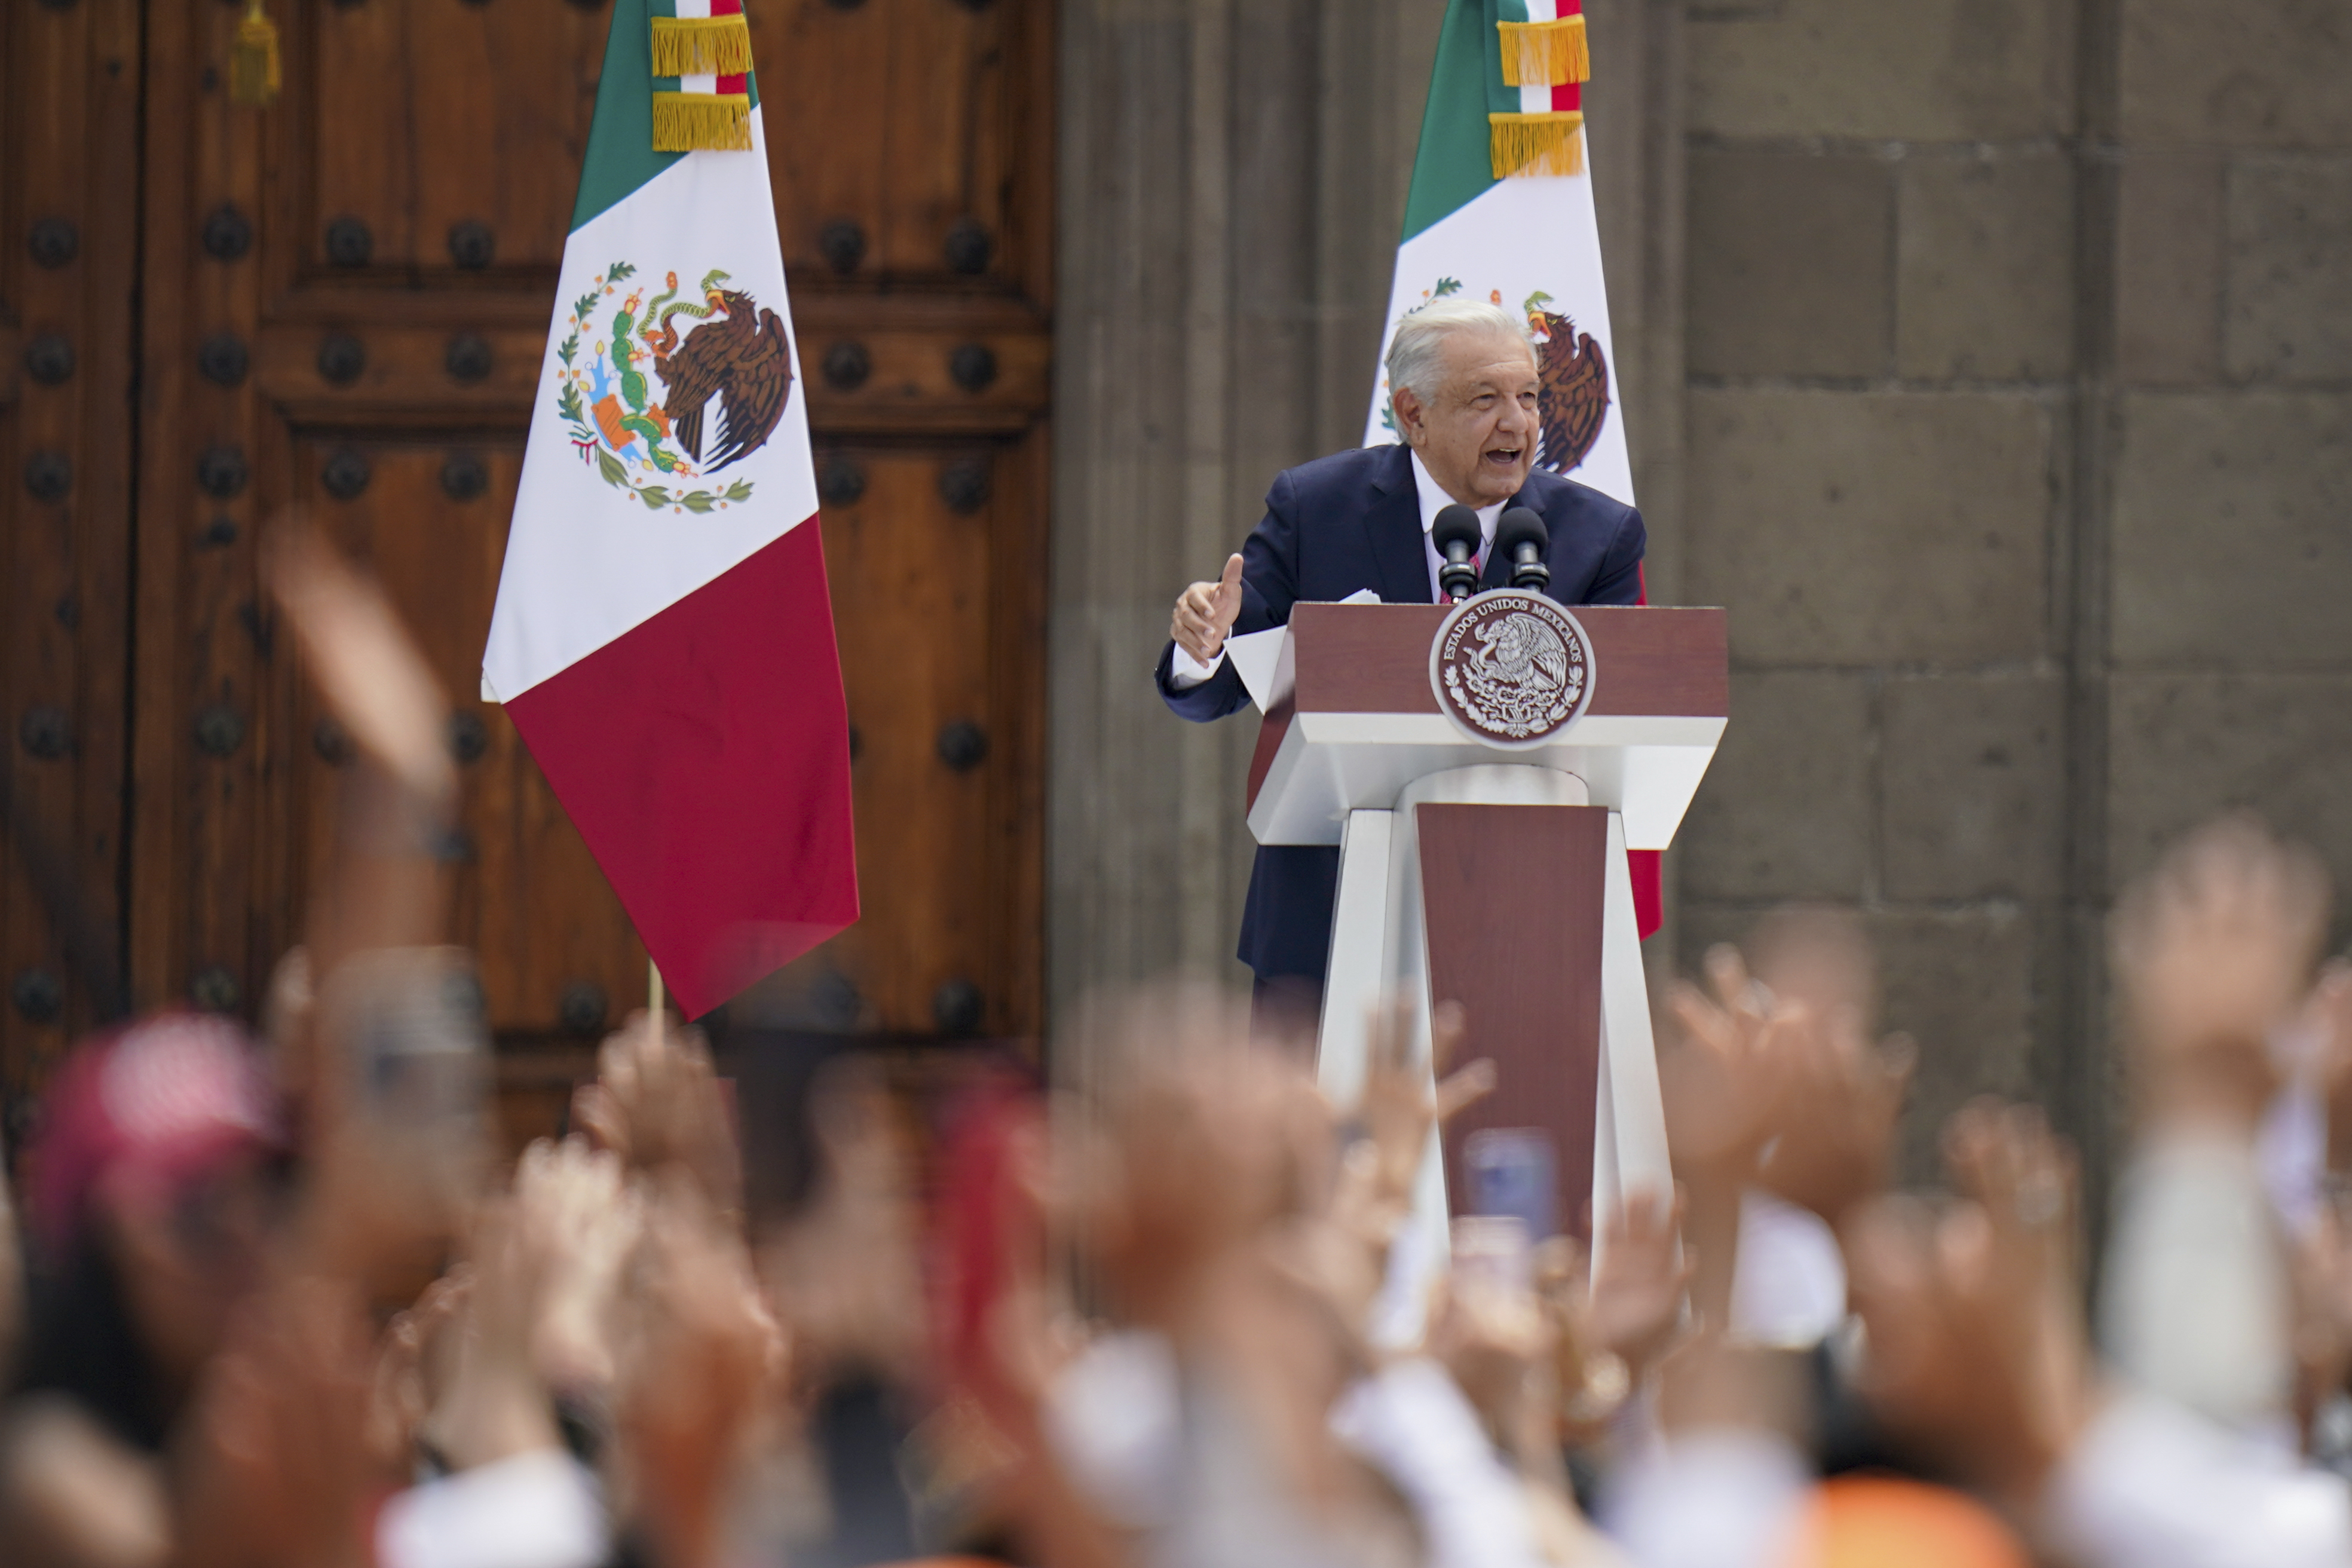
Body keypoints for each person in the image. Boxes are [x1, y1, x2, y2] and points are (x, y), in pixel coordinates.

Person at [1154, 298, 1647, 1018]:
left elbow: (1627, 712)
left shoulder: (1598, 534)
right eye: (1486, 399)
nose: (1519, 423)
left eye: (1530, 397)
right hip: (1328, 915)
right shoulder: (1315, 506)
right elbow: (1215, 687)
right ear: (1412, 414)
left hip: (1526, 915)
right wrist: (1201, 647)